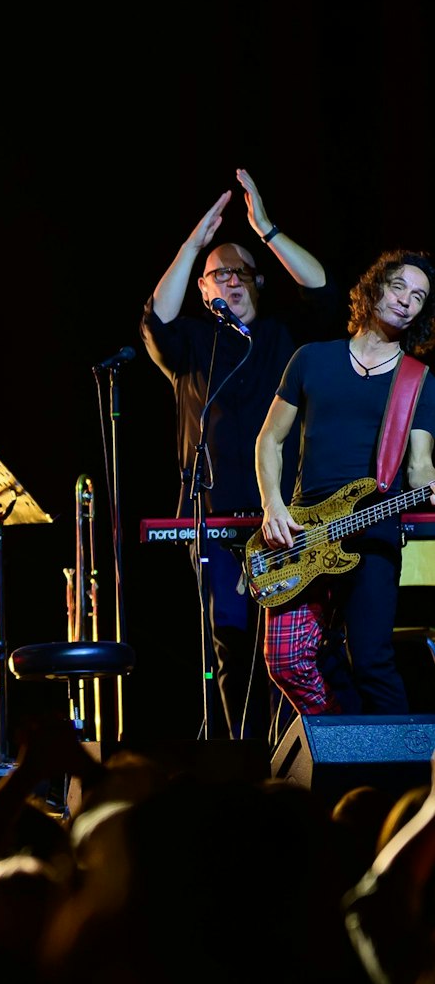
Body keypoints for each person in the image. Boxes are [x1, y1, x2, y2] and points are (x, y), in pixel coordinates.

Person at [140, 170, 335, 739]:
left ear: (259, 283)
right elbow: (157, 317)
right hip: (216, 519)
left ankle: (288, 759)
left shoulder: (281, 337)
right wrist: (192, 248)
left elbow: (322, 290)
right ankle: (244, 762)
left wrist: (267, 231)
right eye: (219, 275)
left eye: (243, 274)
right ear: (203, 289)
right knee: (231, 643)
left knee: (289, 647)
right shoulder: (192, 346)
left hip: (286, 520)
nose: (232, 283)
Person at [256, 250, 435, 716]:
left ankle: (399, 783)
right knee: (286, 659)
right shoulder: (311, 359)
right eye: (399, 287)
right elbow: (269, 441)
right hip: (301, 529)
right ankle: (342, 742)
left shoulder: (417, 379)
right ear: (375, 287)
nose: (407, 302)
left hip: (374, 531)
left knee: (373, 661)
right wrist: (272, 505)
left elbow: (419, 467)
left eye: (419, 297)